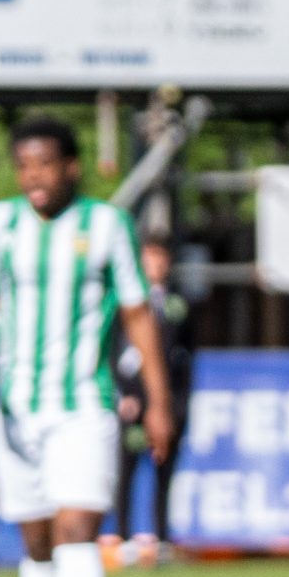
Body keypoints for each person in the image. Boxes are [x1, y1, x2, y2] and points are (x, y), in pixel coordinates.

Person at [0, 116, 173, 577]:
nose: (33, 178)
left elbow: (136, 315)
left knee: (78, 526)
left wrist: (158, 400)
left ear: (71, 166)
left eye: (44, 165)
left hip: (84, 401)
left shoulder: (107, 225)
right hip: (15, 405)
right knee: (36, 536)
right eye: (23, 166)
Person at [113, 235, 194, 558]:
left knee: (164, 470)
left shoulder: (178, 304)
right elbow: (111, 351)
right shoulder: (122, 302)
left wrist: (179, 403)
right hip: (134, 402)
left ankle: (162, 539)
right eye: (149, 258)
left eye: (160, 258)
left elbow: (187, 356)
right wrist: (122, 394)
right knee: (127, 470)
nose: (155, 265)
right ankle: (122, 539)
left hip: (168, 402)